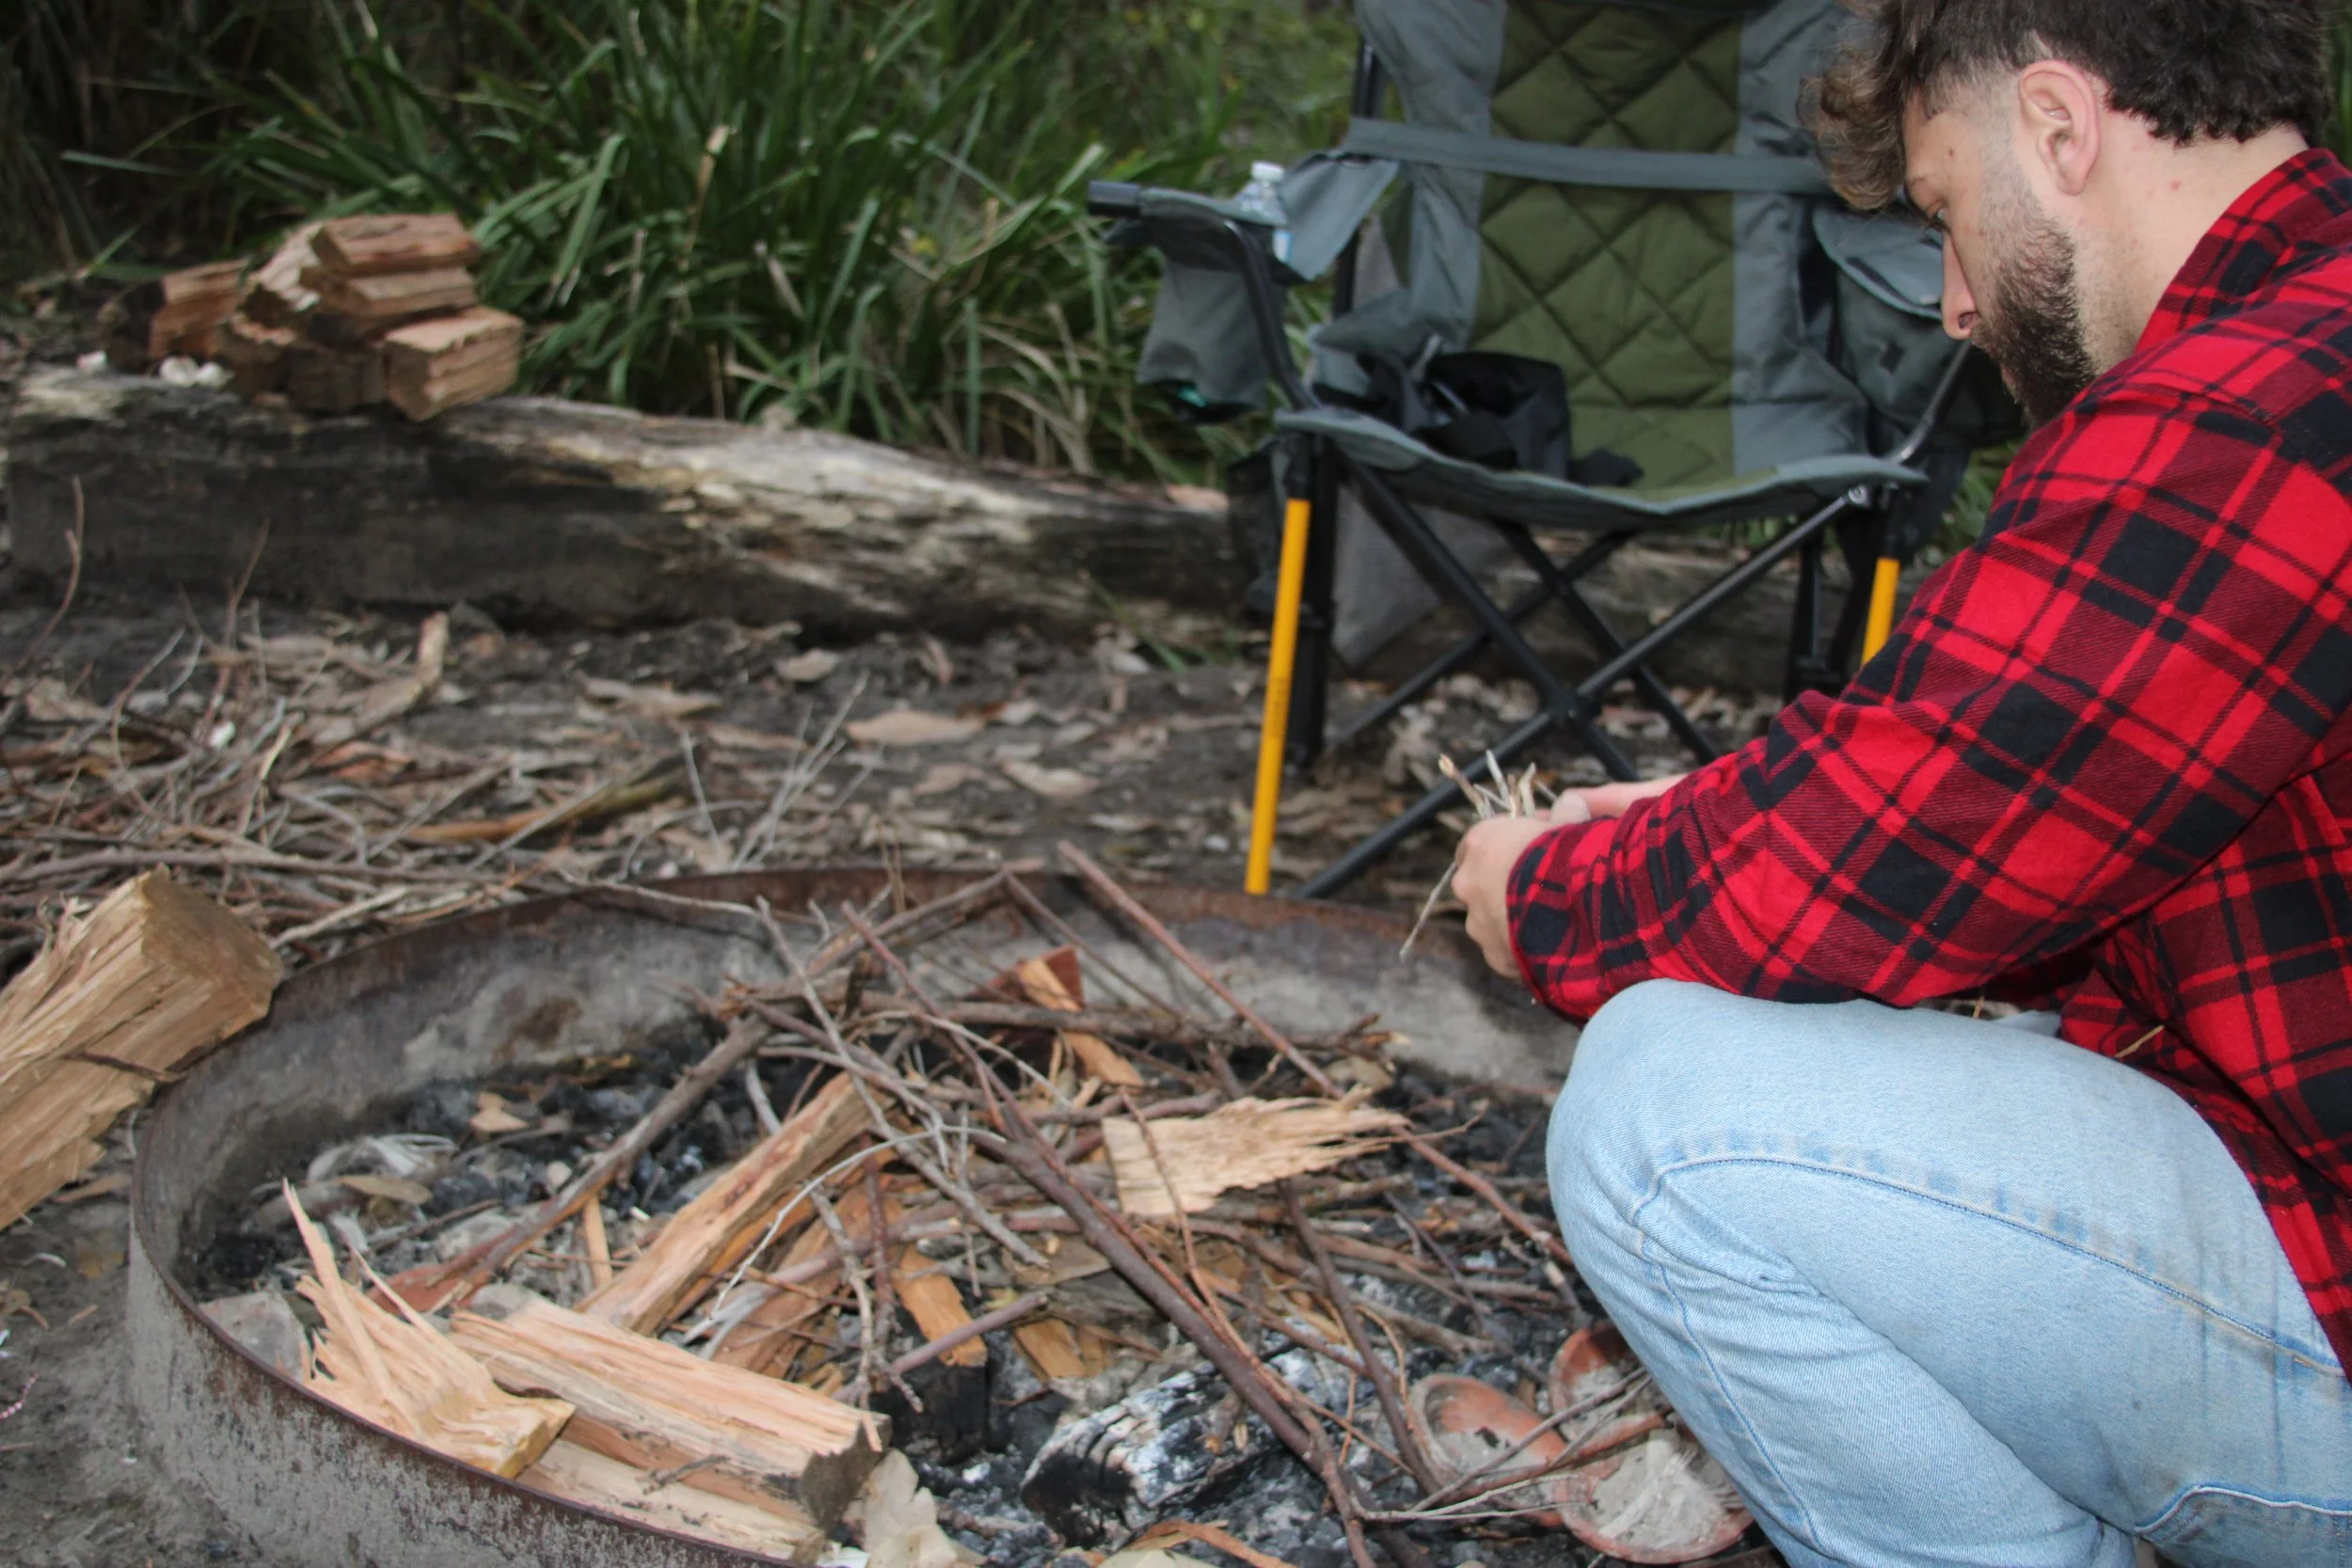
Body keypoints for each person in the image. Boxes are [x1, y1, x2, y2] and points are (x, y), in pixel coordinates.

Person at [1446, 2, 2352, 1563]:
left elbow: (1896, 836)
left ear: (2062, 131)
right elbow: (1981, 774)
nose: (1949, 303)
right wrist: (1687, 828)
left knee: (1662, 1117)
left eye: (1944, 212)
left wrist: (1543, 891)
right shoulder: (2298, 332)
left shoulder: (2248, 411)